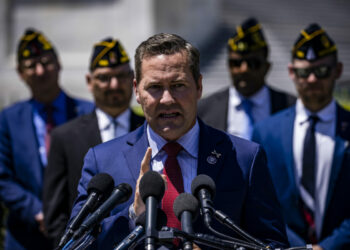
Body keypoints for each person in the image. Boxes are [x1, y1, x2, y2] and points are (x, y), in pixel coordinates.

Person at [70, 33, 289, 249]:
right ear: (137, 90)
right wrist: (133, 217)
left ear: (199, 86)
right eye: (155, 87)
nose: (167, 99)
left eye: (178, 85)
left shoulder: (244, 158)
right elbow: (75, 244)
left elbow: (272, 244)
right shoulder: (102, 161)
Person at [252, 23, 350, 250]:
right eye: (305, 72)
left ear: (337, 70)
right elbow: (260, 203)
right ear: (291, 72)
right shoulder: (266, 132)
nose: (313, 79)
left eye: (322, 71)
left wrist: (327, 247)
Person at [42, 37, 145, 247]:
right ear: (89, 82)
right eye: (105, 78)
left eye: (121, 76)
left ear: (133, 80)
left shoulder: (151, 130)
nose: (114, 85)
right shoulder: (65, 137)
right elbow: (55, 214)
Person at [0, 28, 93, 250]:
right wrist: (37, 211)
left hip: (79, 233)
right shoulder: (9, 118)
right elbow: (2, 177)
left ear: (59, 64)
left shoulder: (88, 113)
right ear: (21, 74)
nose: (40, 71)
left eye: (46, 62)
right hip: (26, 236)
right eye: (31, 66)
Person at [198, 17, 295, 140]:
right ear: (228, 66)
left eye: (253, 63)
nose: (244, 69)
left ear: (267, 67)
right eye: (236, 63)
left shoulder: (291, 108)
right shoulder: (204, 110)